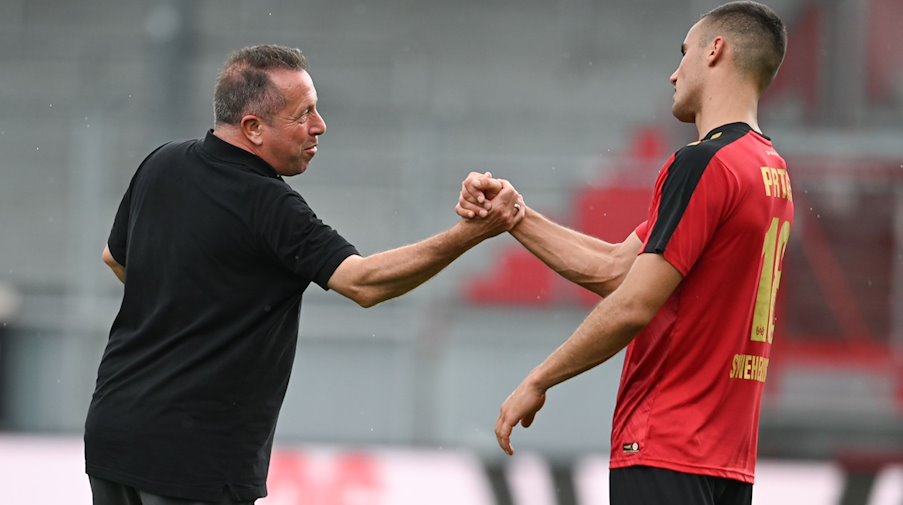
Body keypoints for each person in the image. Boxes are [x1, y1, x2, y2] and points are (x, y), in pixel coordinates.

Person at [85, 44, 524, 505]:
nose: (320, 126)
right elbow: (364, 282)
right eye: (304, 115)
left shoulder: (161, 164)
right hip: (193, 457)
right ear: (253, 128)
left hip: (115, 434)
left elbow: (116, 259)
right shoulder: (269, 204)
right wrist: (473, 233)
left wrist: (186, 312)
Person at [458, 2, 791, 504]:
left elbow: (634, 303)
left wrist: (540, 377)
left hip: (664, 446)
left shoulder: (704, 163)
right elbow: (616, 269)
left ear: (716, 50)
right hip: (728, 462)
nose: (674, 73)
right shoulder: (770, 170)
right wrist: (517, 216)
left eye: (684, 54)